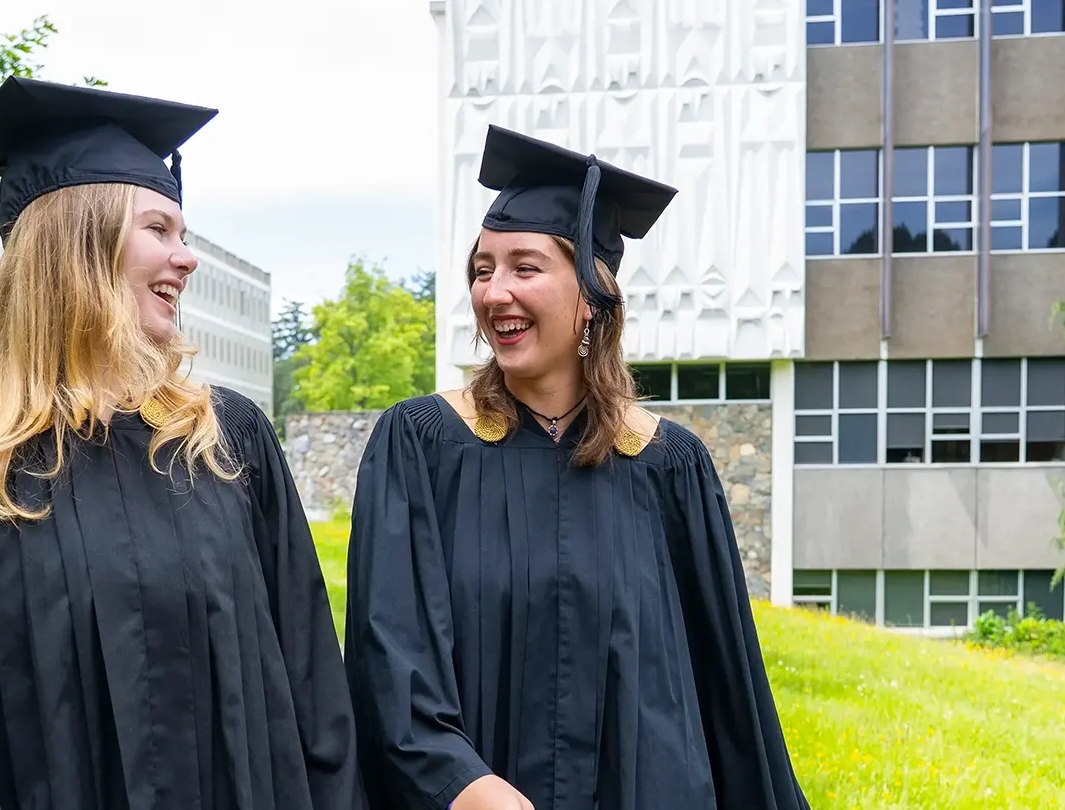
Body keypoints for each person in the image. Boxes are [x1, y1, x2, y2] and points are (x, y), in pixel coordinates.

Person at [0, 76, 364, 810]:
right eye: (159, 230)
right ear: (76, 243)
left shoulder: (224, 441)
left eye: (184, 235)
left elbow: (310, 683)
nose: (186, 258)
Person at [343, 125, 810, 810]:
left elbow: (730, 695)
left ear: (592, 294)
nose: (494, 292)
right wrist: (464, 786)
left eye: (524, 268)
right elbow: (389, 658)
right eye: (482, 269)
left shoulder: (668, 465)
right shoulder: (424, 445)